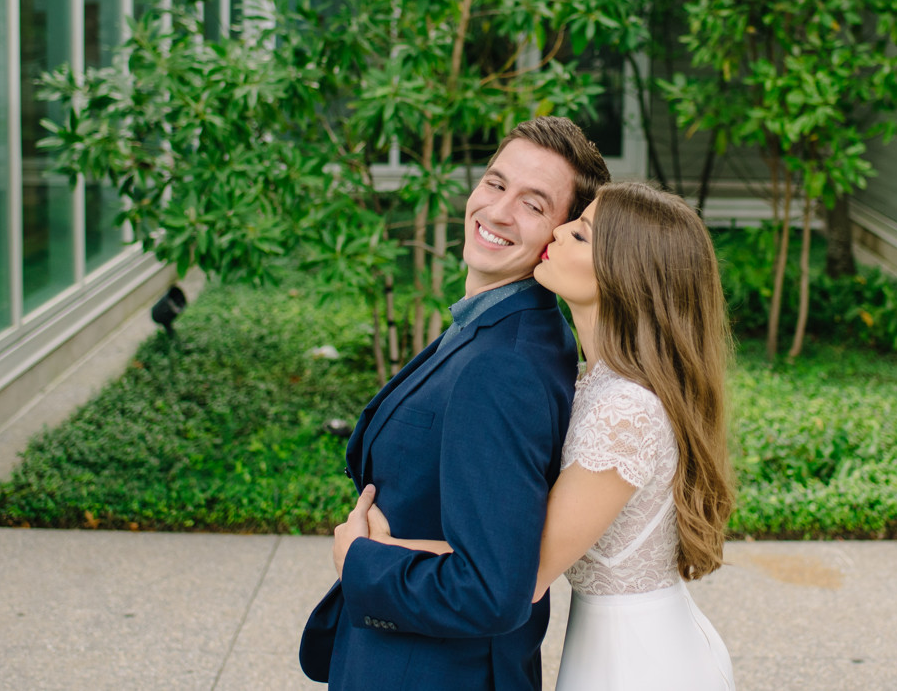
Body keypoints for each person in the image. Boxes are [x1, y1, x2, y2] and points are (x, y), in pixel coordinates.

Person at [354, 181, 736, 691]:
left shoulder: (626, 411)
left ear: (624, 274)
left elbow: (520, 572)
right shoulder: (590, 379)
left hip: (637, 661)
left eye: (580, 234)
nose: (557, 230)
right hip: (607, 640)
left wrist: (377, 552)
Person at [299, 116, 611, 690]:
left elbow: (492, 590)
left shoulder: (505, 367)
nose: (497, 211)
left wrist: (361, 560)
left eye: (534, 205)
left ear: (559, 239)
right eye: (496, 184)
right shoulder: (489, 328)